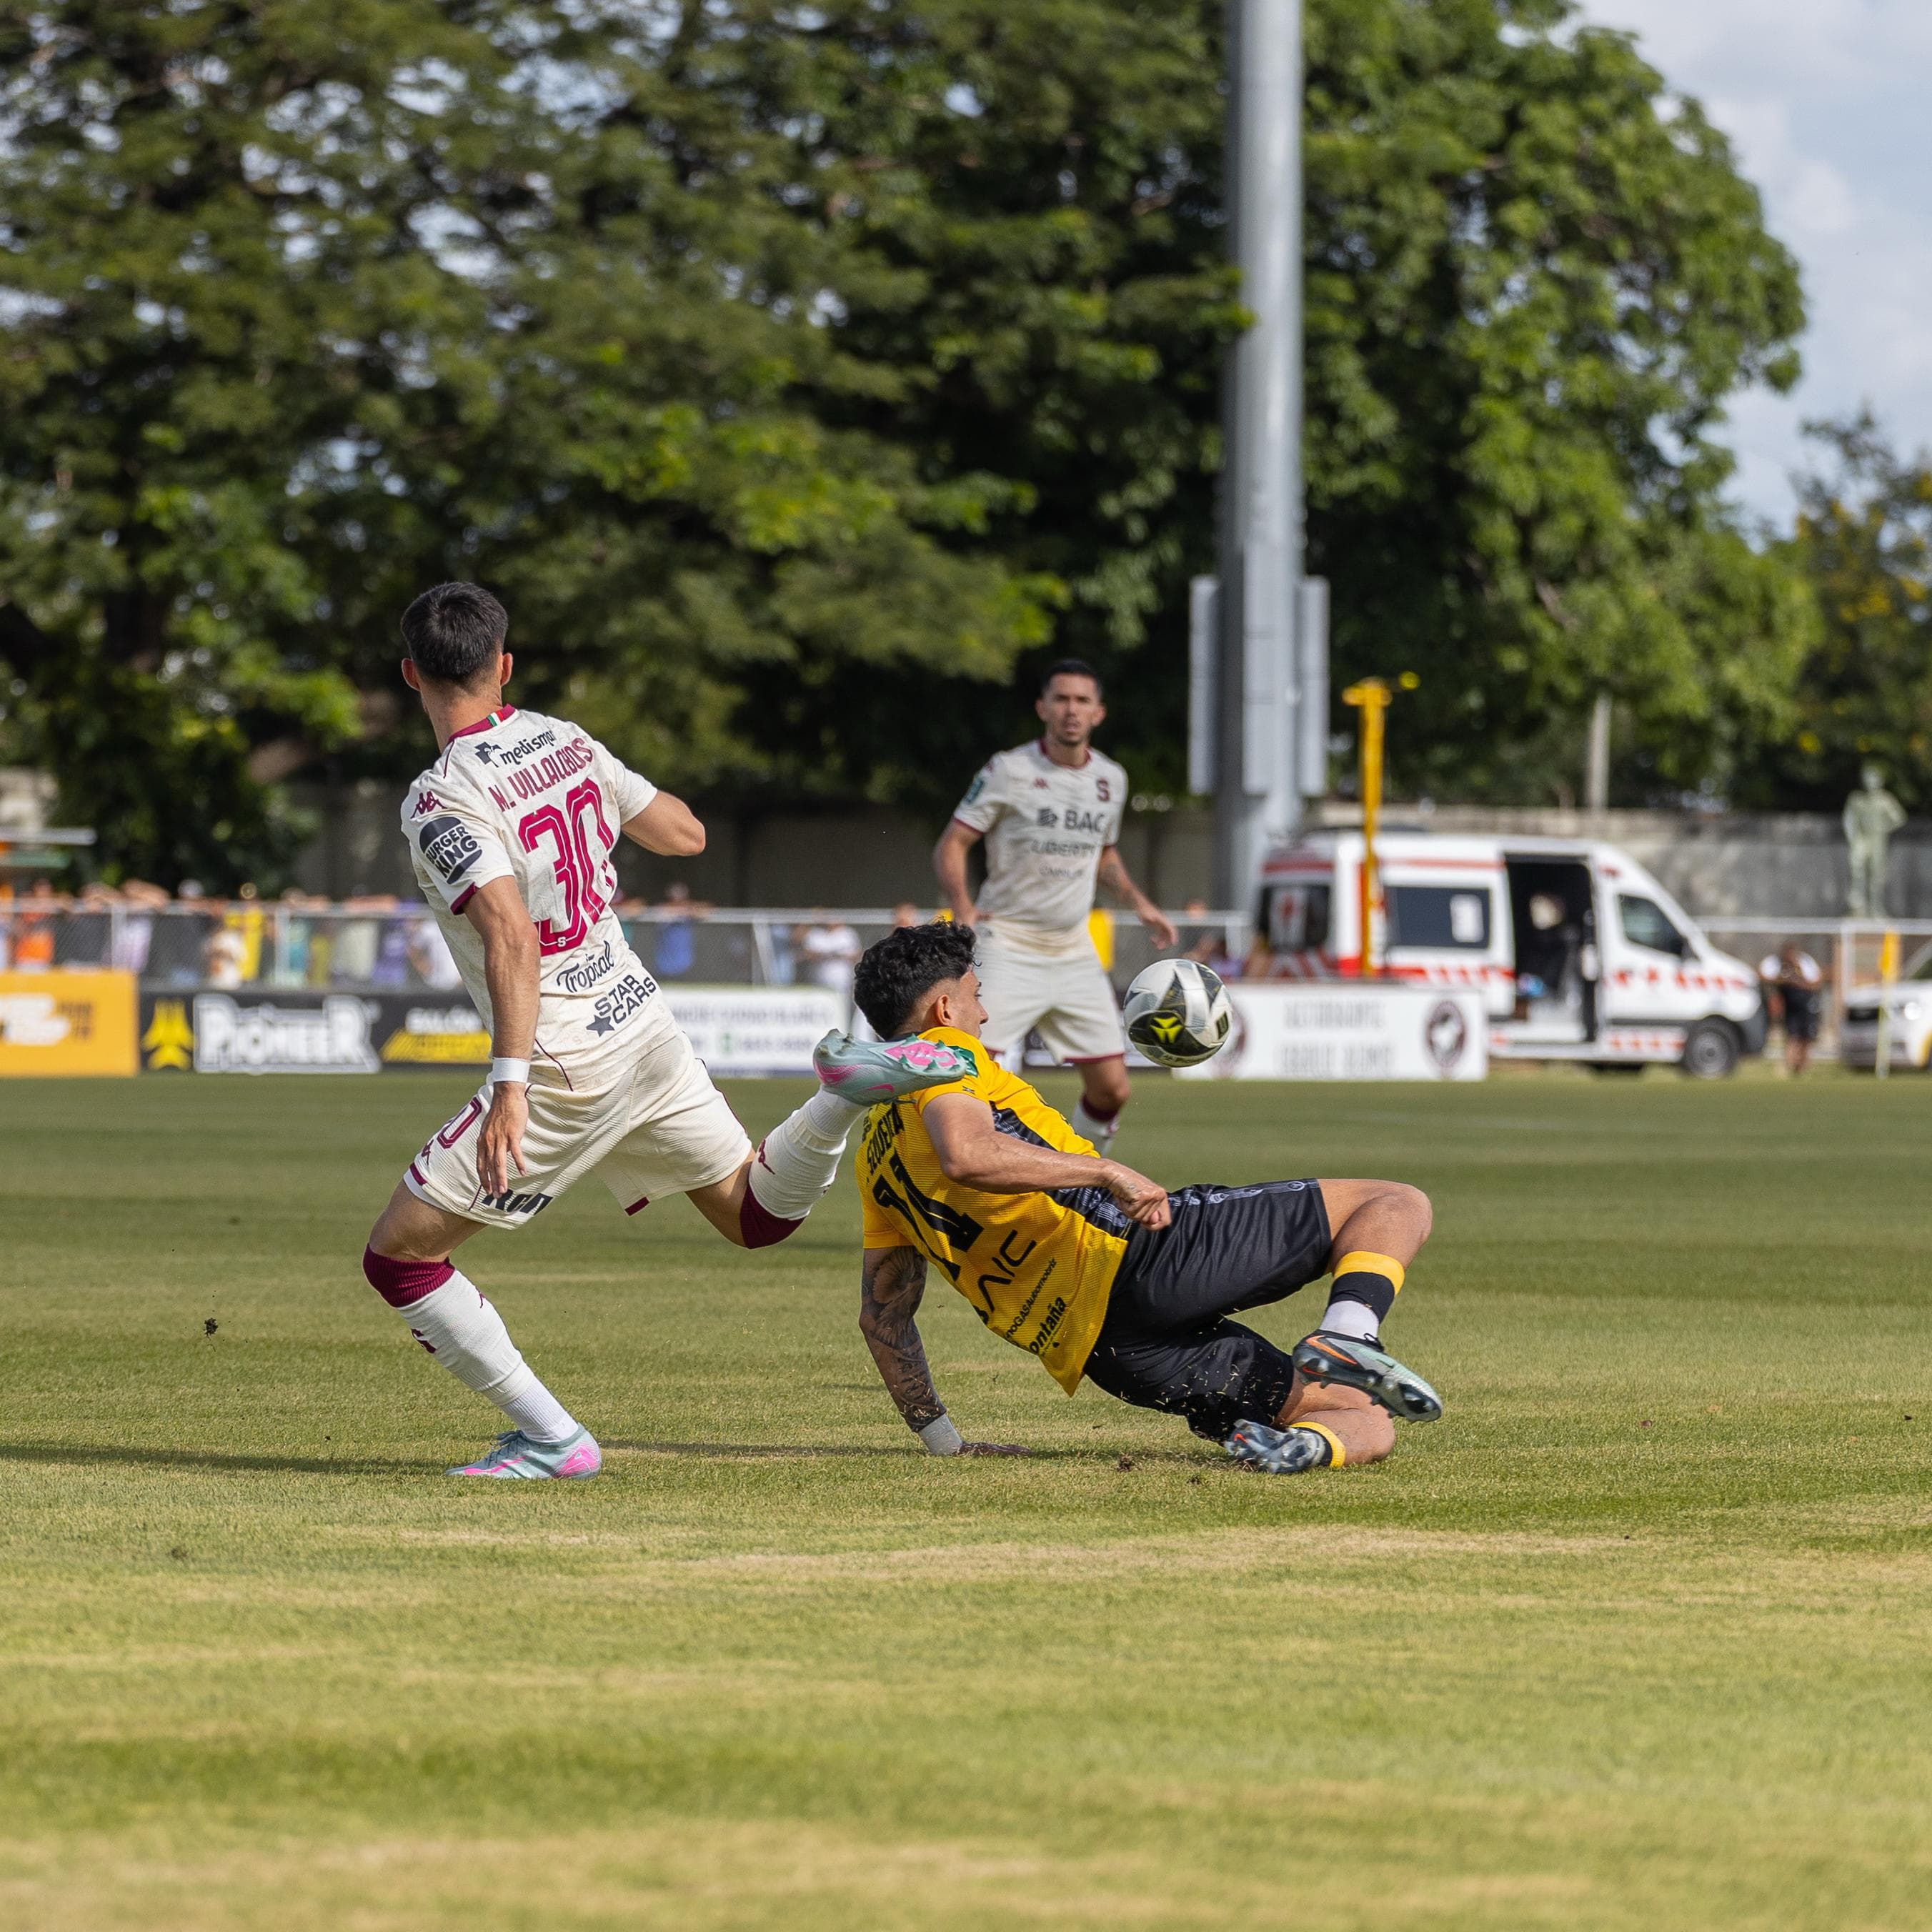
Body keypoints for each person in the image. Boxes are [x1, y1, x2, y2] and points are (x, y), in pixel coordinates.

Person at [359, 582, 975, 1480]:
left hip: (566, 1055)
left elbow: (509, 933)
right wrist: (599, 802)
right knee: (751, 1214)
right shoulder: (567, 741)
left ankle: (552, 1439)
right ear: (505, 665)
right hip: (640, 1016)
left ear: (411, 673)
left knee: (401, 1258)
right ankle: (840, 1099)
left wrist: (509, 1086)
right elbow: (683, 833)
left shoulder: (440, 795)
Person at [849, 922, 1443, 1475]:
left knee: (1366, 1416)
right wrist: (1105, 1171)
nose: (985, 1011)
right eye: (976, 995)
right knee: (1394, 1203)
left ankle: (1302, 1446)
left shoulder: (873, 1156)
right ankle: (1348, 1333)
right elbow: (968, 1154)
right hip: (1138, 1258)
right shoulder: (948, 1057)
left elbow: (883, 1314)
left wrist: (945, 1443)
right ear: (945, 1008)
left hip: (1112, 1352)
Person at [932, 660, 1177, 1155]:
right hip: (1009, 943)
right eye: (1061, 699)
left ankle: (1070, 1185)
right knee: (971, 1076)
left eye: (1082, 701)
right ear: (1043, 707)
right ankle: (967, 1189)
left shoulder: (1111, 779)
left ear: (1099, 713)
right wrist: (961, 906)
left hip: (1072, 949)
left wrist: (1139, 902)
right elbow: (952, 844)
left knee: (1112, 1088)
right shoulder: (1010, 770)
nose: (1072, 710)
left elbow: (1103, 854)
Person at [1759, 942, 1825, 1076]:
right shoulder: (1777, 964)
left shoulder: (1804, 962)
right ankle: (1790, 1068)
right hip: (1790, 1007)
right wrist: (1782, 981)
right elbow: (1763, 974)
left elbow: (1816, 981)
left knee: (1806, 1038)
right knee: (1792, 1036)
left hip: (1806, 1005)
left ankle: (1802, 1069)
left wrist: (1799, 982)